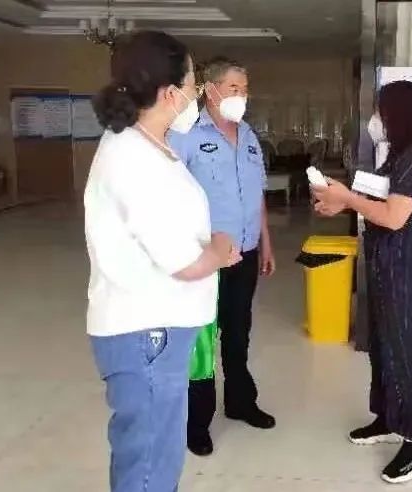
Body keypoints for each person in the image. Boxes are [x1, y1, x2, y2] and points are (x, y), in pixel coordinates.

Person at [85, 32, 240, 492]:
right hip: (146, 331)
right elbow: (183, 262)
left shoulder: (149, 146)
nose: (196, 94)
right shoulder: (133, 157)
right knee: (151, 461)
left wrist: (213, 247)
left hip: (156, 327)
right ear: (170, 93)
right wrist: (219, 250)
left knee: (155, 452)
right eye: (193, 83)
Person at [312, 81, 412, 484]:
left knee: (402, 351)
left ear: (398, 112)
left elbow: (394, 217)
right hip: (384, 263)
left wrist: (347, 199)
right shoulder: (398, 154)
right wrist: (339, 200)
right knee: (382, 347)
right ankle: (387, 418)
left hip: (406, 267)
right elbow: (378, 201)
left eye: (380, 111)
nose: (375, 119)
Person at [168, 57, 276, 457]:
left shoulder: (248, 135)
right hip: (206, 258)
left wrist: (265, 243)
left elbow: (257, 195)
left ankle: (240, 402)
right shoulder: (185, 136)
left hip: (245, 254)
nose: (241, 96)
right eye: (234, 88)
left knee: (238, 331)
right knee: (201, 343)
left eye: (245, 90)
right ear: (210, 90)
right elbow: (169, 198)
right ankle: (196, 423)